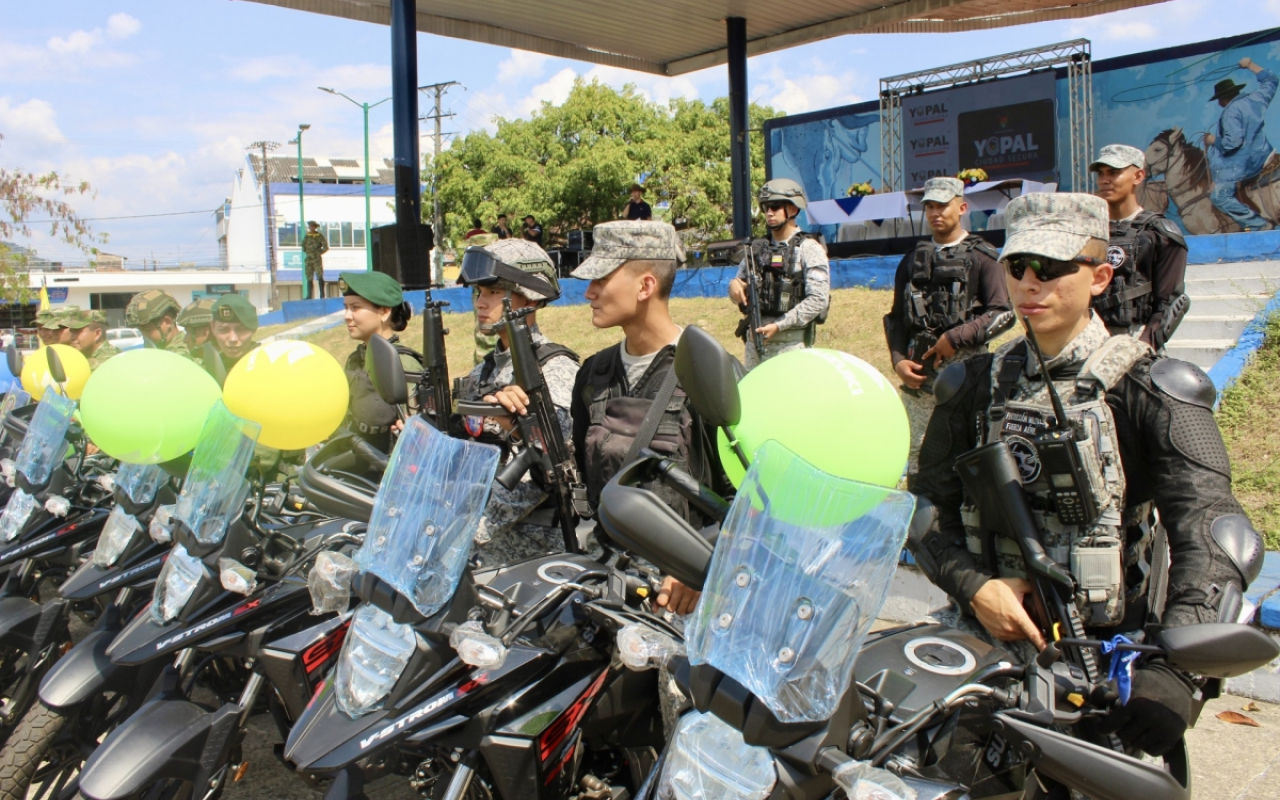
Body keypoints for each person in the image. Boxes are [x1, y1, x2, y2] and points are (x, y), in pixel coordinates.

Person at [909, 192, 1263, 759]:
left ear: (1100, 276)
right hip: (989, 646)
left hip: (1107, 661)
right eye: (1018, 267)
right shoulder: (972, 385)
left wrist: (1178, 669)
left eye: (1050, 269)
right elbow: (925, 510)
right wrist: (977, 589)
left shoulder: (1153, 388)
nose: (1030, 284)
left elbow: (1213, 527)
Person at [565, 220, 732, 615]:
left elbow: (744, 500)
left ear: (645, 286)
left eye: (601, 279)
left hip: (682, 601)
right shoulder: (593, 374)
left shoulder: (709, 376)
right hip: (608, 588)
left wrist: (698, 568)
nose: (588, 292)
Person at [454, 240, 581, 563]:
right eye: (478, 293)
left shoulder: (556, 371)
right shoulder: (483, 372)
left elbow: (540, 474)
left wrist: (468, 531)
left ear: (530, 297)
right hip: (479, 544)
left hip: (531, 552)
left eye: (494, 292)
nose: (480, 303)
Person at [883, 176, 1012, 478]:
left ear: (962, 207)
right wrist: (898, 359)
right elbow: (896, 317)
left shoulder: (983, 256)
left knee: (968, 456)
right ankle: (923, 521)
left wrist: (955, 338)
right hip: (919, 378)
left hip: (968, 376)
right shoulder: (912, 260)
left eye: (943, 205)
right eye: (929, 206)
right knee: (917, 457)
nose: (935, 212)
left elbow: (1002, 313)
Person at [1091, 144, 1190, 350]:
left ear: (1138, 176)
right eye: (1100, 174)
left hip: (1136, 338)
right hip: (1088, 338)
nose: (1104, 180)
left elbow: (1170, 302)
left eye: (1114, 172)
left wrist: (1144, 346)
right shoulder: (1086, 231)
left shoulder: (1160, 233)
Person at [727, 178, 831, 369]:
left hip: (791, 347)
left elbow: (818, 299)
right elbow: (739, 288)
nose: (769, 212)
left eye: (775, 206)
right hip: (755, 347)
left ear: (793, 209)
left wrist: (780, 325)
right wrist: (734, 286)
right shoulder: (756, 249)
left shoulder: (808, 248)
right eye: (766, 207)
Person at [337, 271, 422, 457]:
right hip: (357, 464)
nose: (346, 316)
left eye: (355, 307)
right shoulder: (356, 359)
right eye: (346, 307)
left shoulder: (403, 363)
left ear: (384, 311)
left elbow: (421, 430)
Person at [1205, 57, 1277, 231]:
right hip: (1264, 154)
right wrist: (1250, 65)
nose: (1220, 104)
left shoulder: (1230, 112)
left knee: (1218, 197)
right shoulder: (1256, 98)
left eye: (1219, 100)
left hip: (1243, 164)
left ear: (1222, 99)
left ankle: (1258, 224)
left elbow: (1232, 144)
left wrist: (1213, 141)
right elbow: (1271, 80)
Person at [205, 294, 259, 382]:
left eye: (241, 329)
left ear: (254, 328)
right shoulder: (206, 368)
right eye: (223, 330)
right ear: (212, 328)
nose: (232, 339)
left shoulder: (268, 363)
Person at [125, 290, 188, 357]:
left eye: (147, 330)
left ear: (167, 322)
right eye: (141, 331)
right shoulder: (158, 349)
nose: (144, 336)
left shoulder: (183, 353)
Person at [302, 220, 330, 299]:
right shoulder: (307, 236)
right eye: (310, 226)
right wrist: (308, 252)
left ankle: (322, 294)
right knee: (309, 277)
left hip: (317, 259)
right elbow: (303, 246)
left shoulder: (319, 236)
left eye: (312, 226)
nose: (311, 228)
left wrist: (318, 253)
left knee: (319, 276)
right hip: (309, 259)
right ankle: (309, 295)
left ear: (315, 227)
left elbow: (325, 247)